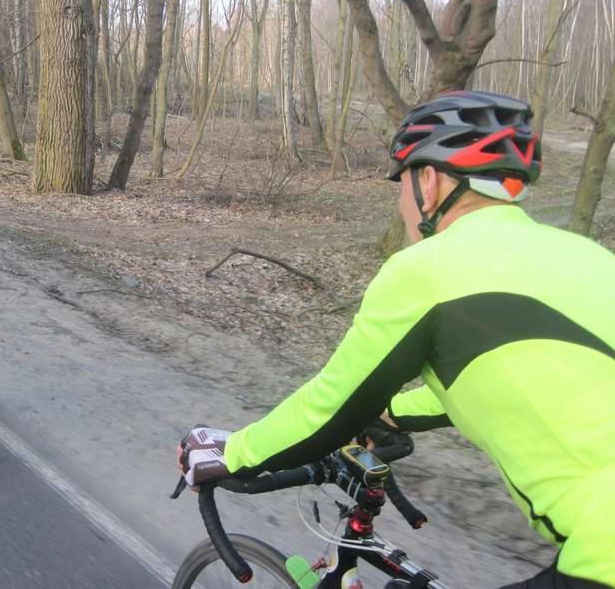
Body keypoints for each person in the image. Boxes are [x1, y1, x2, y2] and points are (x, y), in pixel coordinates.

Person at [177, 91, 615, 588]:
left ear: (428, 182)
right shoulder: (585, 256)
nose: (402, 201)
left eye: (399, 183)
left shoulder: (427, 271)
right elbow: (525, 374)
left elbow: (328, 409)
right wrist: (392, 414)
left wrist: (228, 452)